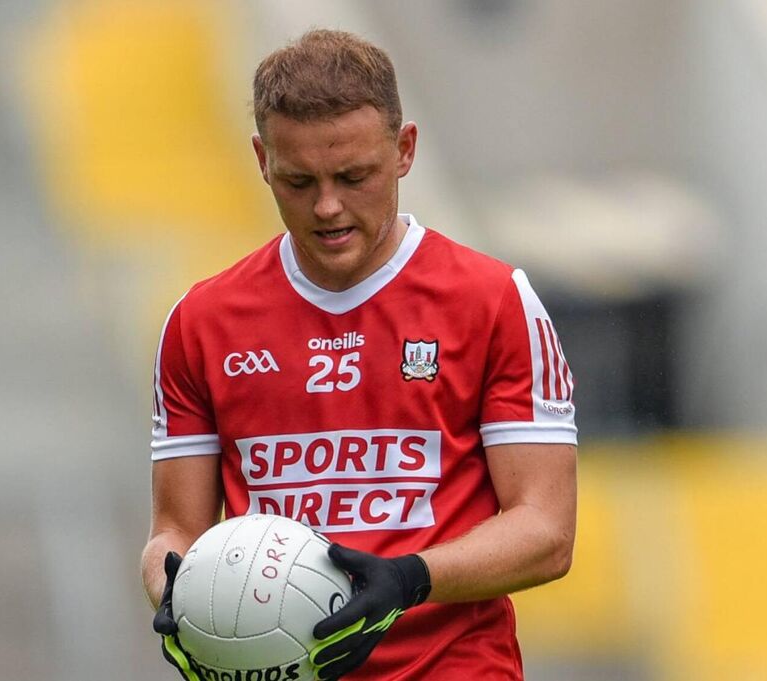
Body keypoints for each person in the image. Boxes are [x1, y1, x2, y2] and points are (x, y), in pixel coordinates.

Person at [141, 29, 577, 680]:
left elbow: (546, 531)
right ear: (262, 159)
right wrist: (174, 591)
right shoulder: (202, 321)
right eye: (299, 180)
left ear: (404, 151)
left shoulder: (492, 301)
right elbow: (174, 531)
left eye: (354, 176)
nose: (327, 206)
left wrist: (409, 578)